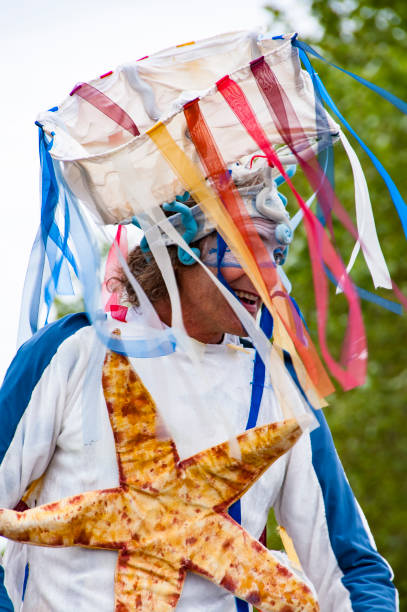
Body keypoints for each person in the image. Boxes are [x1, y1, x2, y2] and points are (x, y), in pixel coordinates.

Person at [0, 164, 398, 612]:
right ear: (181, 246)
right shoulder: (74, 351)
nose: (269, 277)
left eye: (277, 255)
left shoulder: (278, 387)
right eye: (248, 247)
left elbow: (350, 569)